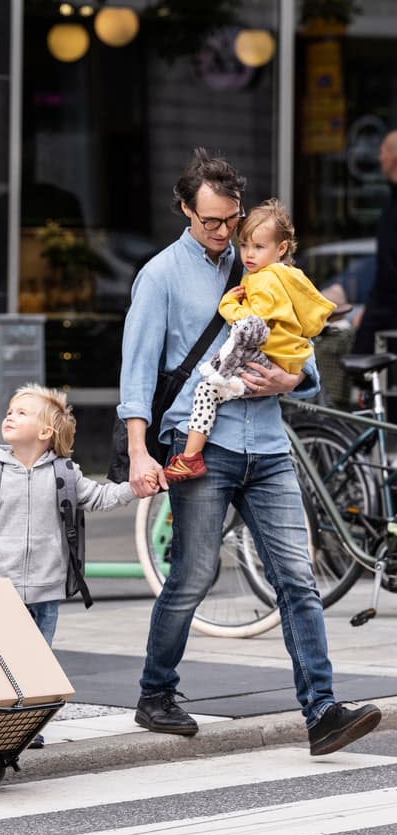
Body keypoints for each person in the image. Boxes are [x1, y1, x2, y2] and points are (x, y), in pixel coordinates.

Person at [119, 148, 381, 755]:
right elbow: (136, 373)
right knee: (192, 574)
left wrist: (293, 380)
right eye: (210, 221)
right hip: (199, 445)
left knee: (298, 578)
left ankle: (321, 711)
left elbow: (301, 350)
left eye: (231, 221)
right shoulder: (160, 275)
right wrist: (138, 451)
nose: (223, 233)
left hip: (266, 443)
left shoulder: (262, 265)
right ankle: (156, 693)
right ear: (185, 209)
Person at [0, 383, 137, 747]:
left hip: (46, 588)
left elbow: (99, 497)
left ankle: (25, 724)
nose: (10, 415)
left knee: (37, 660)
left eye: (22, 412)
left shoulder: (64, 475)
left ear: (44, 433)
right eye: (10, 410)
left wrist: (136, 488)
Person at [164, 198, 336, 482]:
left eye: (258, 246)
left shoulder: (262, 280)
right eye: (244, 245)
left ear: (281, 248)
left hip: (262, 362)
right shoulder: (291, 277)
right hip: (284, 359)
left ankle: (191, 457)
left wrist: (228, 306)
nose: (248, 255)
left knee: (206, 391)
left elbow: (252, 325)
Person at [353, 129, 397, 354]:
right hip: (383, 310)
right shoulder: (390, 201)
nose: (379, 157)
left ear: (393, 156)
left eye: (382, 151)